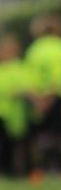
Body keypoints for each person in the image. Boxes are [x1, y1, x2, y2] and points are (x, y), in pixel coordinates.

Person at [25, 14, 61, 173]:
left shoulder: (33, 49)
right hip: (59, 97)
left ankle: (44, 169)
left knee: (43, 136)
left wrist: (38, 100)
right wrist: (51, 97)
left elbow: (30, 77)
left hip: (39, 99)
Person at [0, 34, 31, 177]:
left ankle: (16, 172)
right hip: (3, 114)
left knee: (15, 145)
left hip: (15, 116)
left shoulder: (20, 68)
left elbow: (27, 88)